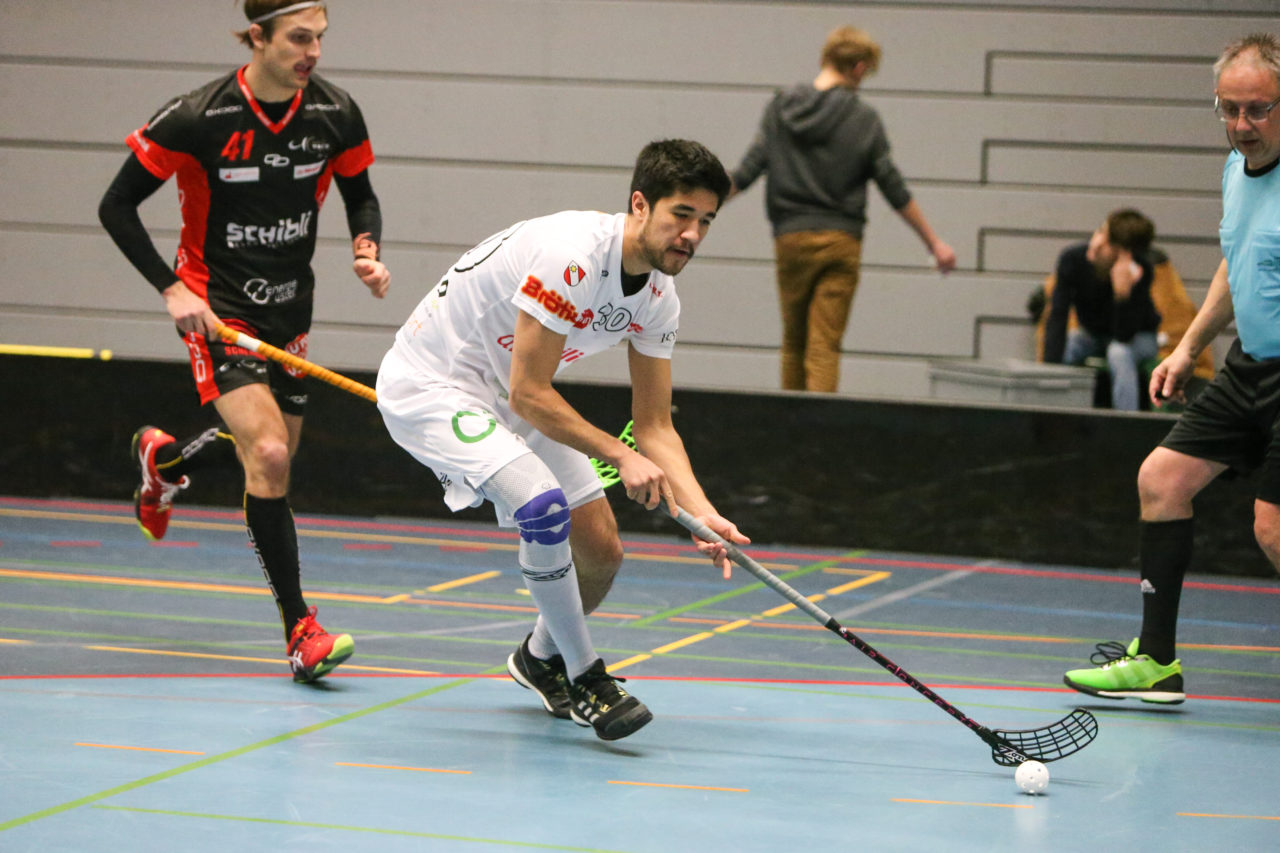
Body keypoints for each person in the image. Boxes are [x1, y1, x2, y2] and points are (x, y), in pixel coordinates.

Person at [376, 139, 747, 740]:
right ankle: (587, 679)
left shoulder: (658, 298)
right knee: (542, 507)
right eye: (682, 214)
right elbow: (530, 393)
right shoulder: (572, 257)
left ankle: (537, 659)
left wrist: (705, 516)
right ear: (640, 205)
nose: (693, 235)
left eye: (706, 221)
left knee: (601, 552)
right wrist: (620, 456)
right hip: (435, 386)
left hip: (512, 395)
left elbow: (655, 426)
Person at [97, 0, 391, 683]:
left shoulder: (335, 112)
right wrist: (174, 289)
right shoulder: (198, 116)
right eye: (298, 38)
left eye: (320, 37)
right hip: (219, 310)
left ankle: (165, 464)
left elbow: (360, 192)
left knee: (269, 462)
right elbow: (116, 204)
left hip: (291, 310)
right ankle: (300, 630)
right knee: (269, 451)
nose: (312, 51)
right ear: (256, 37)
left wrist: (366, 247)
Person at [1063, 32, 1280, 704]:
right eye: (1229, 110)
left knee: (1271, 524)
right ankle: (1157, 661)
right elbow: (1235, 260)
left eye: (1259, 109)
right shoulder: (1233, 172)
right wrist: (1187, 347)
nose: (1242, 126)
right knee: (1161, 478)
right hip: (1250, 367)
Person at [728, 25, 957, 393]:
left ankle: (789, 432)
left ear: (826, 57)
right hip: (841, 243)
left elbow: (747, 171)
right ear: (860, 67)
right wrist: (934, 242)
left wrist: (692, 206)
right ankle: (820, 436)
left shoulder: (780, 107)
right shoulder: (864, 119)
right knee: (824, 345)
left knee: (793, 342)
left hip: (791, 239)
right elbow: (892, 186)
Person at [1042, 209, 1162, 411]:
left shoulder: (1141, 270)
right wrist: (1049, 372)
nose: (1095, 242)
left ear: (1123, 254)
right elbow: (1057, 315)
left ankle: (1125, 425)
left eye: (1105, 242)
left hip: (1138, 338)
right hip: (1093, 334)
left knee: (1118, 352)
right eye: (1099, 231)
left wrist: (1122, 295)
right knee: (1070, 343)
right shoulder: (1072, 259)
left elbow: (1124, 335)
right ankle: (1055, 414)